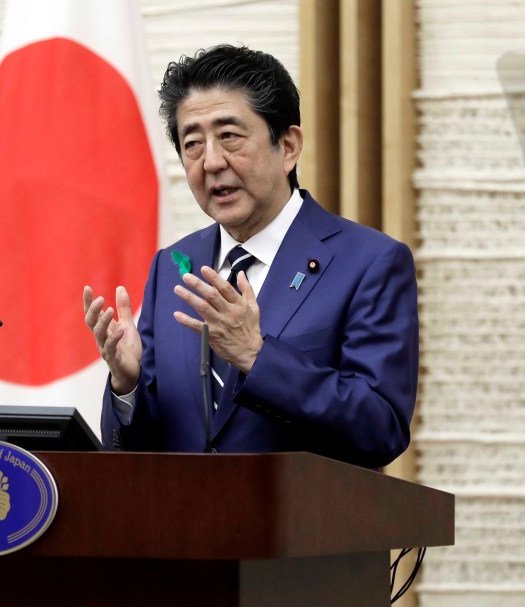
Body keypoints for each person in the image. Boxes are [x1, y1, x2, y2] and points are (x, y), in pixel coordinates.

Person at [83, 44, 418, 468]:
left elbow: (380, 428)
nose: (212, 162)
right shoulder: (173, 265)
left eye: (229, 137)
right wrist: (127, 385)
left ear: (289, 147)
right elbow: (140, 451)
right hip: (183, 530)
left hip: (303, 529)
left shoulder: (369, 263)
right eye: (192, 145)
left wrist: (257, 358)